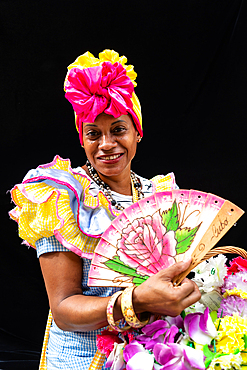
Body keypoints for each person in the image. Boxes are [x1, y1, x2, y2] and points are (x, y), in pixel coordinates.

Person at [9, 49, 201, 370]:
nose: (107, 144)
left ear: (137, 131)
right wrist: (137, 300)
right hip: (84, 360)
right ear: (82, 139)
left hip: (153, 353)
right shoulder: (64, 197)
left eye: (118, 129)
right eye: (93, 134)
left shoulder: (161, 194)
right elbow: (64, 309)